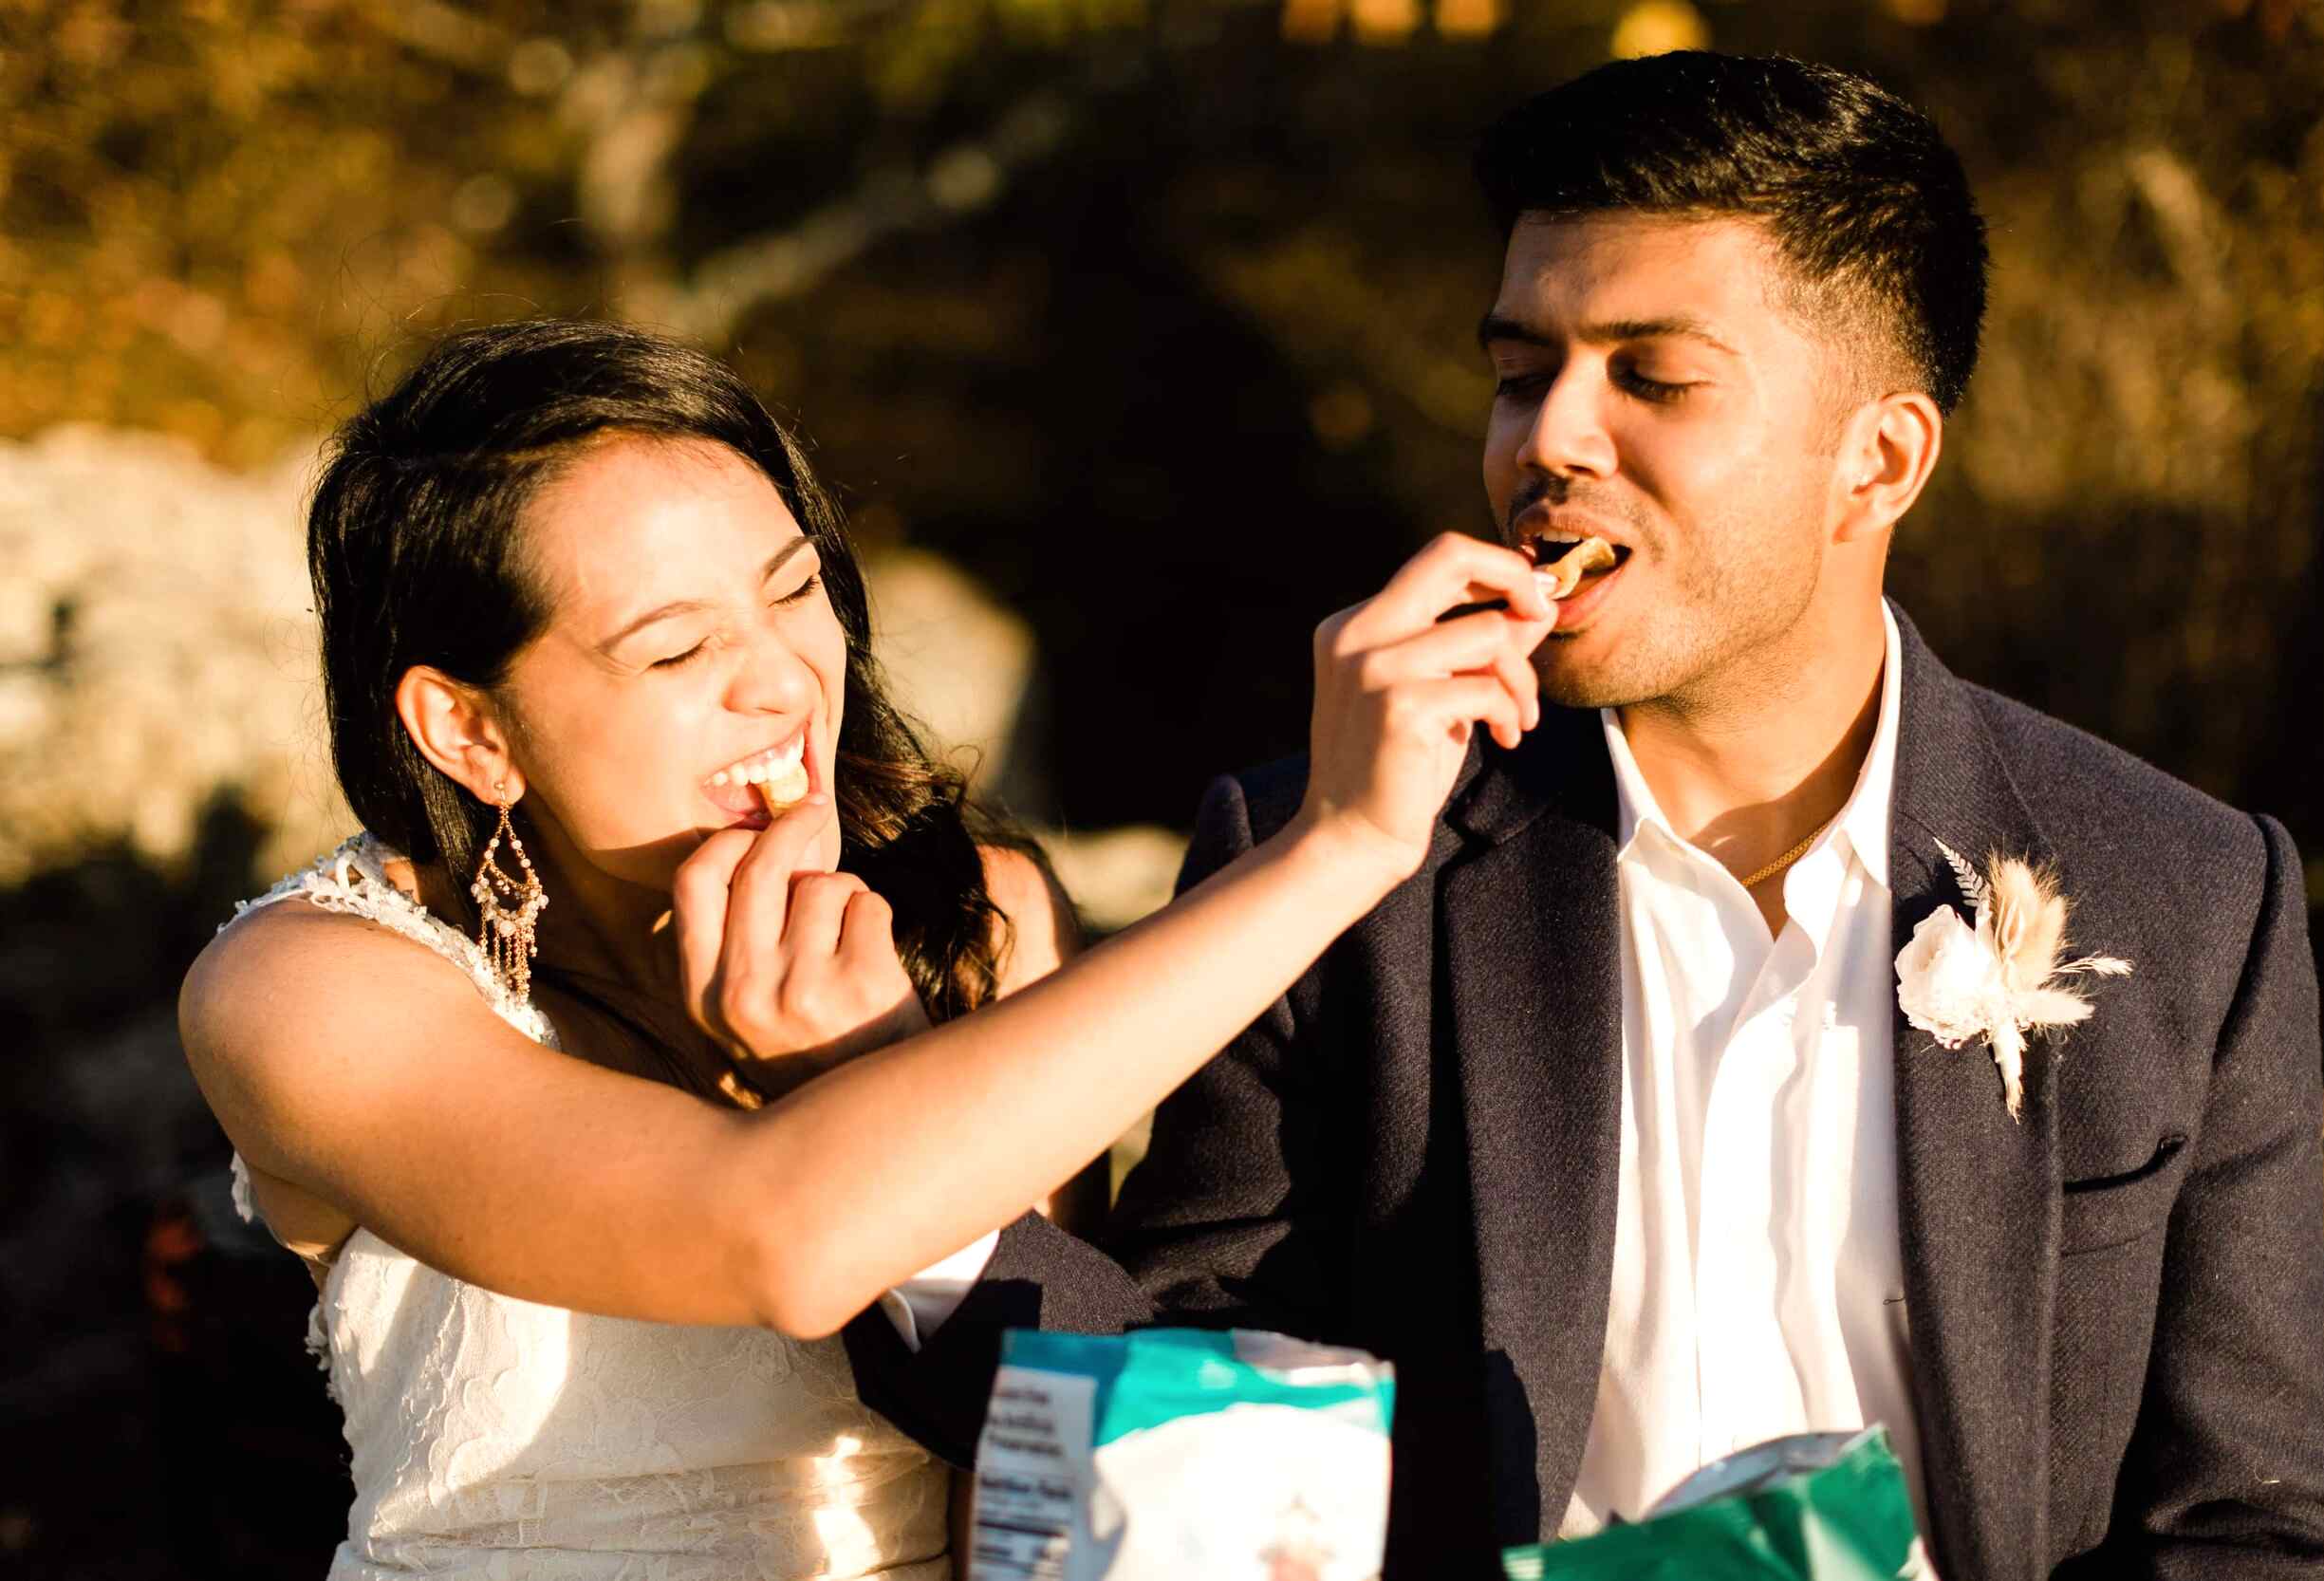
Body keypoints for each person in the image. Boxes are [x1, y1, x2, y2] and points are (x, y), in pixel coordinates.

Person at [846, 52, 2324, 1578]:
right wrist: (881, 1176)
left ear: (1879, 460)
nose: (1545, 442)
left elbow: (2248, 1521)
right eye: (1521, 371)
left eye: (1653, 377)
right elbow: (1193, 1396)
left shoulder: (2192, 894)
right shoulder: (1321, 858)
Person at [176, 318, 1558, 1579]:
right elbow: (775, 1234)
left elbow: (1036, 1449)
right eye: (673, 651)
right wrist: (1336, 847)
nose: (782, 678)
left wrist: (891, 1056)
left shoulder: (982, 920)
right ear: (467, 731)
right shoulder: (317, 989)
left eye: (794, 591)